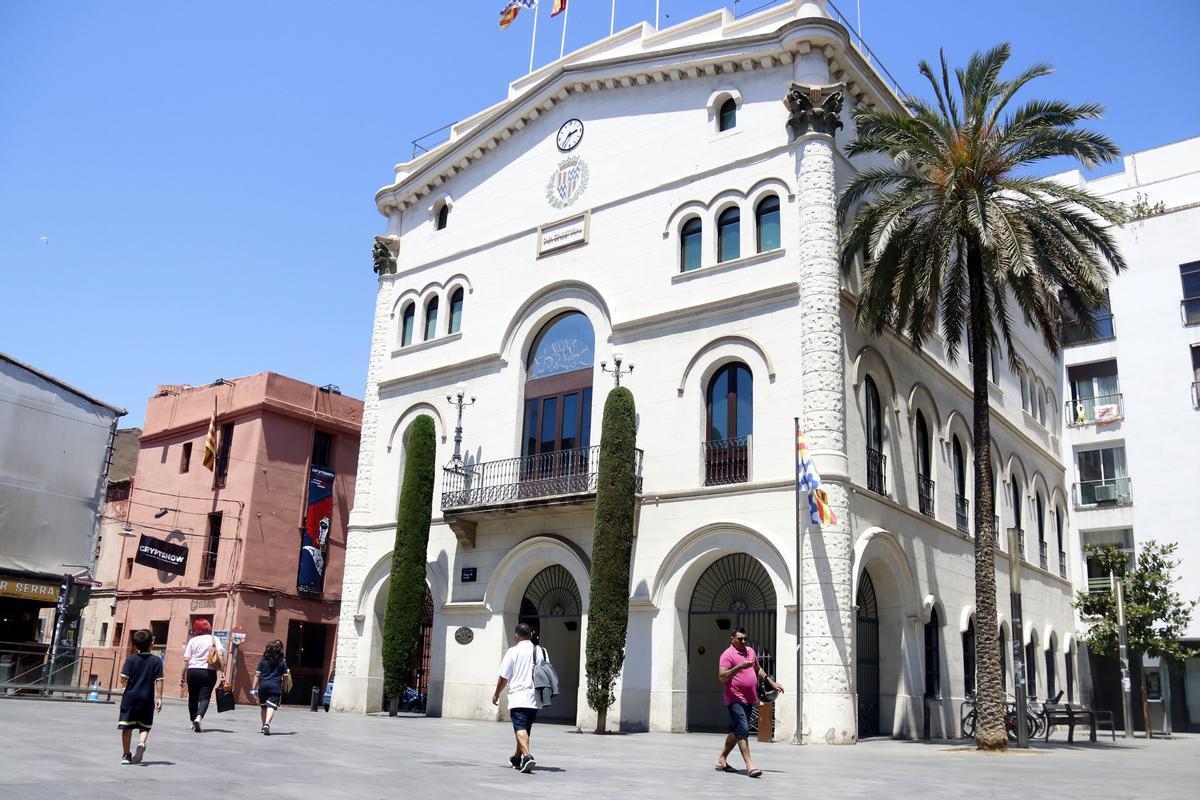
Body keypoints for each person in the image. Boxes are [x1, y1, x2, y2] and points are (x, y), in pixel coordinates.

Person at [714, 627, 783, 778]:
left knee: (735, 731)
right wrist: (739, 667)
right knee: (743, 729)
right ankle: (750, 765)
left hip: (750, 698)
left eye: (745, 638)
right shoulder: (727, 655)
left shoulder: (750, 651)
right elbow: (722, 677)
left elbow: (758, 669)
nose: (743, 641)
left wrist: (771, 682)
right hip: (734, 698)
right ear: (732, 639)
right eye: (740, 639)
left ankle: (721, 759)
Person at [491, 622, 541, 774]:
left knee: (520, 728)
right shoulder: (539, 651)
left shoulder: (513, 652)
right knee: (525, 730)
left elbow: (503, 677)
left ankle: (527, 756)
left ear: (516, 636)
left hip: (519, 696)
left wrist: (496, 693)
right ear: (531, 635)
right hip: (535, 697)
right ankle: (516, 758)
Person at [118, 629, 163, 765]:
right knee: (145, 726)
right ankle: (141, 743)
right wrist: (159, 698)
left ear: (136, 645)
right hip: (146, 698)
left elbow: (123, 678)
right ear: (151, 644)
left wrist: (125, 684)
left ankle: (126, 755)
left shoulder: (131, 659)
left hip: (130, 697)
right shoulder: (156, 661)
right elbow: (159, 680)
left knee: (126, 726)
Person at [179, 619, 224, 732]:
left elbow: (186, 661)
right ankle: (198, 718)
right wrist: (222, 671)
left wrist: (182, 675)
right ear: (208, 627)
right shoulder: (214, 639)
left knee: (192, 697)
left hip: (192, 671)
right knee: (205, 697)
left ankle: (193, 720)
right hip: (208, 672)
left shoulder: (192, 641)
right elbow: (221, 655)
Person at [250, 639, 290, 735]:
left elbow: (257, 674)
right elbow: (285, 677)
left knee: (263, 707)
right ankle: (267, 724)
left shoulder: (263, 661)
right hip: (275, 687)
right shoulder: (282, 662)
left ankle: (263, 726)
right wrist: (284, 687)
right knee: (271, 706)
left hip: (263, 686)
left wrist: (253, 688)